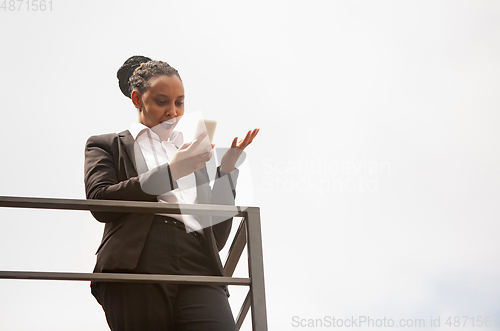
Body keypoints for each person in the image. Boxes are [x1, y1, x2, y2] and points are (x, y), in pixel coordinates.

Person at [84, 55, 259, 331]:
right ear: (136, 99)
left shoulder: (193, 153)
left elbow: (216, 236)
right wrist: (171, 172)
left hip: (199, 264)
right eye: (162, 101)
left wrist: (225, 174)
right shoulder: (106, 145)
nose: (173, 112)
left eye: (180, 102)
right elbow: (101, 202)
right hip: (139, 259)